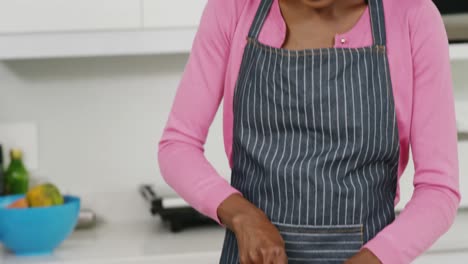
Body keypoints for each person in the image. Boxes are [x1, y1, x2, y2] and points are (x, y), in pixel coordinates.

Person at [158, 0, 461, 263]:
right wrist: (243, 216)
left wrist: (375, 258)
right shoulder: (235, 9)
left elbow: (438, 189)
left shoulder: (414, 18)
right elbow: (178, 145)